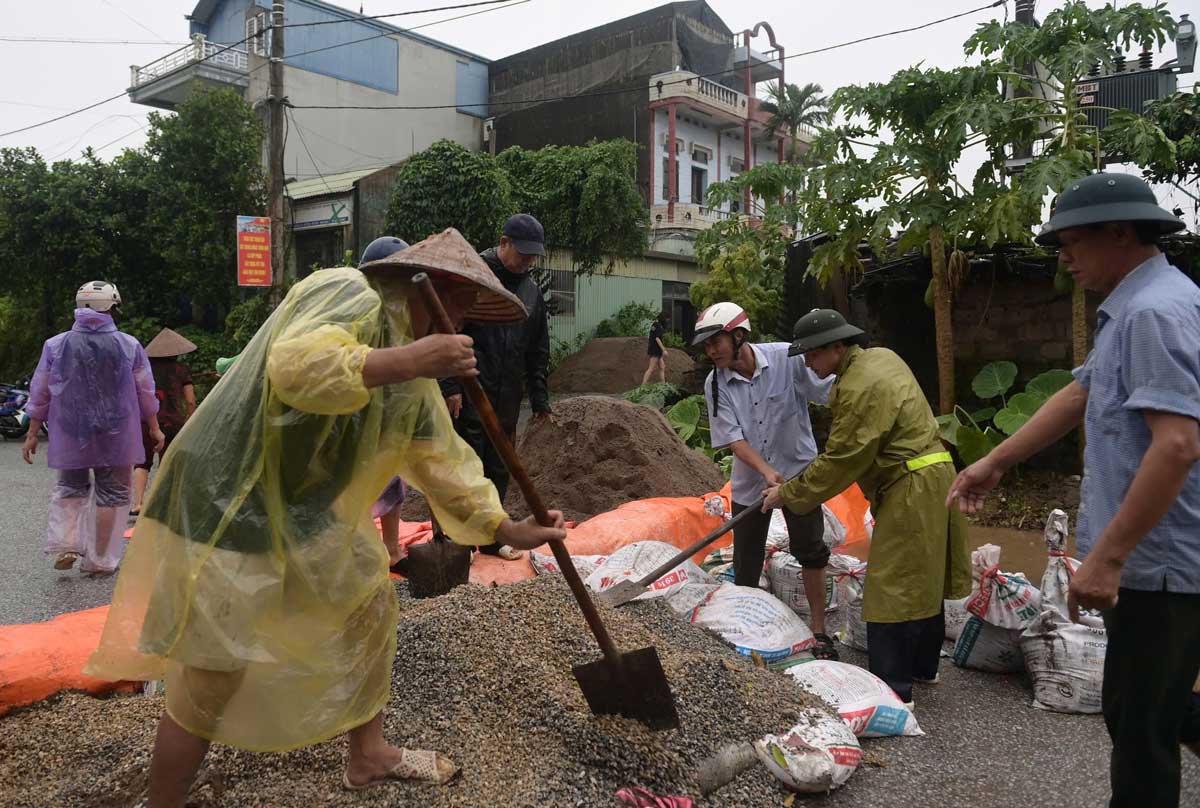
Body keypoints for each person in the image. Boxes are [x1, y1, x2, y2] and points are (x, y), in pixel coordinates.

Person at [85, 228, 567, 807]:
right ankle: (163, 802)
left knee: (368, 599)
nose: (459, 323)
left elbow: (442, 460)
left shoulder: (412, 380)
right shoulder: (347, 293)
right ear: (426, 286)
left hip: (303, 512)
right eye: (458, 304)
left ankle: (368, 754)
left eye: (466, 314)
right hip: (226, 503)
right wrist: (408, 358)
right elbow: (298, 368)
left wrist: (505, 528)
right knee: (213, 668)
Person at [947, 173, 1198, 808]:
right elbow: (1081, 391)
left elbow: (1177, 445)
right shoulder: (1133, 307)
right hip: (1157, 561)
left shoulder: (1153, 312)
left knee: (1139, 727)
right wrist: (995, 461)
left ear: (1120, 232)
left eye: (1071, 241)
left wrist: (1109, 557)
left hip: (1160, 566)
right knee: (1149, 706)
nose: (1063, 257)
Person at [762, 308, 971, 702]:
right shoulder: (883, 358)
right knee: (924, 576)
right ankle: (924, 668)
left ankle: (894, 688)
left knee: (892, 584)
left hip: (911, 484)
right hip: (938, 473)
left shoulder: (859, 386)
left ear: (837, 347)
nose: (807, 362)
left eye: (811, 354)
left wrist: (788, 493)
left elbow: (842, 459)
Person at [693, 302, 840, 660]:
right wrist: (765, 472)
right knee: (746, 560)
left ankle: (819, 631)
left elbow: (826, 391)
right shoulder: (716, 384)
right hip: (751, 482)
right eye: (707, 345)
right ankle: (747, 633)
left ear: (738, 335)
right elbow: (733, 438)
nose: (711, 351)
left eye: (716, 342)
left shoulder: (786, 359)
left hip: (798, 474)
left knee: (811, 551)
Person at [22, 281, 165, 575]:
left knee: (70, 487)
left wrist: (33, 432)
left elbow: (41, 390)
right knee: (112, 495)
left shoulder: (56, 344)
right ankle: (101, 559)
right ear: (112, 306)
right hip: (116, 431)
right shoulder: (129, 345)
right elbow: (145, 392)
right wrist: (154, 427)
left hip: (71, 429)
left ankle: (66, 545)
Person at [440, 213, 551, 561]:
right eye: (523, 253)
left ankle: (490, 538)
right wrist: (450, 386)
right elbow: (448, 330)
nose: (528, 261)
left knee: (499, 466)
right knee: (464, 464)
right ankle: (457, 541)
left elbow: (538, 349)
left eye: (533, 255)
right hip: (471, 389)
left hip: (507, 395)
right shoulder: (475, 277)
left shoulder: (531, 291)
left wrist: (540, 399)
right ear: (503, 244)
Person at [131, 328, 197, 516]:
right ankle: (166, 503)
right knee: (168, 462)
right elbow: (190, 400)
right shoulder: (181, 370)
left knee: (142, 463)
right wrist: (190, 420)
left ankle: (138, 503)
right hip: (173, 422)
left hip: (147, 421)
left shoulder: (145, 369)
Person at [642, 311, 670, 385]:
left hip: (656, 349)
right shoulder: (658, 326)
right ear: (664, 318)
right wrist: (664, 350)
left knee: (662, 367)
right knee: (651, 368)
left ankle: (663, 384)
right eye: (667, 319)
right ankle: (643, 385)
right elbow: (657, 338)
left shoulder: (655, 325)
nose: (668, 321)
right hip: (655, 350)